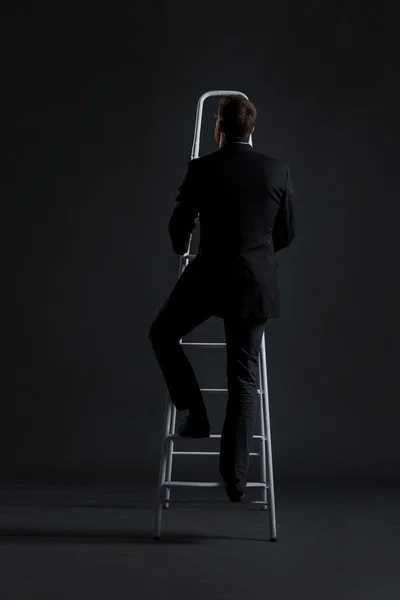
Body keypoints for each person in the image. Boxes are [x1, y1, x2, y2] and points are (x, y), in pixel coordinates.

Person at [149, 95, 295, 502]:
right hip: (253, 282)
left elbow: (178, 229)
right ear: (252, 128)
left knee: (162, 334)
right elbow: (286, 234)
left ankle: (194, 414)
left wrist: (185, 242)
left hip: (208, 279)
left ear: (219, 127)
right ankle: (236, 479)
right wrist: (255, 253)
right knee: (243, 380)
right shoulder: (276, 170)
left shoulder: (202, 168)